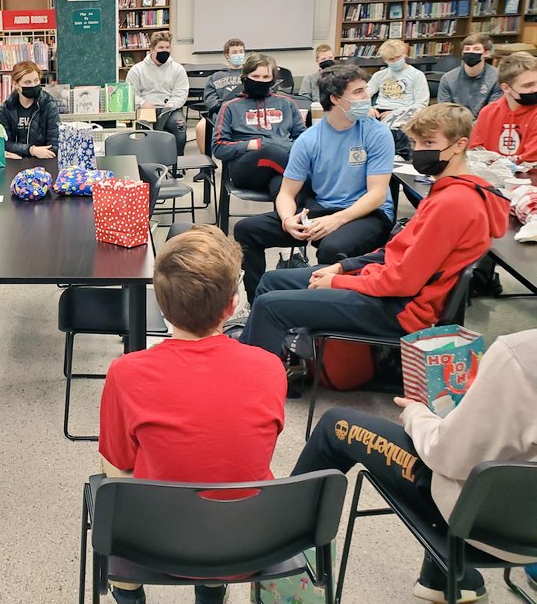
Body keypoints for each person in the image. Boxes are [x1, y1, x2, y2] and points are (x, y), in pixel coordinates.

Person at [99, 224, 287, 604]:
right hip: (246, 544)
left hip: (157, 546)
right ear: (231, 306)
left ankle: (128, 591)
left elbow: (119, 462)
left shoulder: (127, 372)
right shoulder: (270, 367)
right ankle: (212, 589)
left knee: (111, 471)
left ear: (161, 304)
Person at [242, 103, 508, 357]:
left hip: (402, 309)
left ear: (459, 145)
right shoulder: (447, 192)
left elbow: (404, 282)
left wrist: (338, 282)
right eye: (415, 143)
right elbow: (396, 251)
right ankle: (250, 354)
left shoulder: (454, 204)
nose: (418, 151)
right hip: (387, 287)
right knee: (271, 281)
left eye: (428, 144)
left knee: (270, 305)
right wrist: (344, 268)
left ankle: (255, 381)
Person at [293, 327, 537, 602]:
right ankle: (443, 579)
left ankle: (279, 547)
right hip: (529, 532)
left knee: (335, 426)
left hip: (481, 526)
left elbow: (448, 455)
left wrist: (417, 415)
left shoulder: (519, 354)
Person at [234, 64, 395, 305]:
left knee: (331, 248)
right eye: (358, 92)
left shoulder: (377, 134)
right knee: (246, 230)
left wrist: (337, 220)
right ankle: (256, 302)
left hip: (368, 213)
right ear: (335, 99)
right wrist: (289, 221)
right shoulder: (309, 139)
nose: (367, 97)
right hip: (322, 209)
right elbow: (287, 193)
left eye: (365, 90)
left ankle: (316, 312)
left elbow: (377, 195)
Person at [212, 53, 306, 198]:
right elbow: (218, 148)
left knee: (283, 188)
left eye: (266, 77)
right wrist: (253, 144)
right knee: (271, 152)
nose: (260, 81)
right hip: (246, 169)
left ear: (273, 80)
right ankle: (317, 180)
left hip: (280, 166)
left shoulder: (287, 103)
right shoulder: (230, 107)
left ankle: (290, 219)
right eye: (255, 77)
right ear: (245, 77)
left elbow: (302, 140)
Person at [124, 31, 189, 156]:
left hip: (169, 109)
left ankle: (177, 162)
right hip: (146, 109)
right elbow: (131, 94)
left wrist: (171, 105)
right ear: (152, 49)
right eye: (160, 48)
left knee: (179, 126)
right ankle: (147, 160)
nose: (164, 51)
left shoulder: (178, 69)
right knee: (144, 132)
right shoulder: (137, 70)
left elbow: (181, 92)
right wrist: (143, 103)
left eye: (167, 47)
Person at [470, 51, 537, 164]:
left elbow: (531, 160)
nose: (535, 89)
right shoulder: (488, 112)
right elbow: (476, 152)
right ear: (506, 88)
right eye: (528, 85)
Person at [366, 39, 429, 150]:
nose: (395, 61)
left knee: (396, 129)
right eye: (391, 59)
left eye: (398, 57)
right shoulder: (379, 75)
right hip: (379, 111)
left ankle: (399, 155)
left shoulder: (417, 75)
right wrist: (368, 108)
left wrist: (396, 113)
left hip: (404, 110)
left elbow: (421, 104)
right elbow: (363, 95)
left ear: (404, 54)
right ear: (385, 60)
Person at [0, 60, 60, 160]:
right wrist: (32, 150)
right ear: (16, 84)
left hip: (42, 164)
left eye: (36, 81)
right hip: (14, 165)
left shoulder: (48, 105)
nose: (33, 85)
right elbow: (4, 143)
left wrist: (23, 158)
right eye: (27, 82)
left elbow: (53, 147)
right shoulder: (6, 108)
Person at [197, 37, 248, 155]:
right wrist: (223, 108)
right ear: (227, 55)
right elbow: (210, 99)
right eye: (234, 52)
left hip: (244, 113)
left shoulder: (250, 74)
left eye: (241, 51)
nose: (239, 54)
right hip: (220, 113)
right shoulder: (216, 76)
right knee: (201, 127)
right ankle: (206, 167)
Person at [437, 33, 501, 117]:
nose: (471, 52)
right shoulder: (448, 79)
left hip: (484, 125)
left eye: (476, 49)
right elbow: (444, 112)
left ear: (486, 53)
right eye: (467, 49)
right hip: (456, 126)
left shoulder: (497, 78)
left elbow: (493, 112)